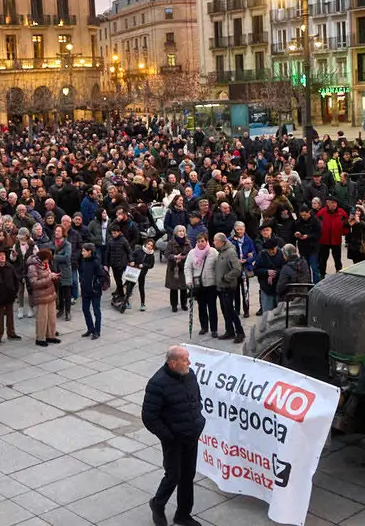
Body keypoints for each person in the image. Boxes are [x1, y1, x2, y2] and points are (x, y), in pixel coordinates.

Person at [141, 345, 205, 526]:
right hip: (174, 440)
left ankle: (183, 515)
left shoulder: (190, 375)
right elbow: (149, 417)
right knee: (173, 476)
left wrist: (198, 420)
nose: (189, 362)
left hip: (191, 436)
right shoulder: (157, 383)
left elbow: (196, 399)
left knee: (188, 476)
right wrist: (168, 437)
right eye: (185, 359)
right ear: (173, 362)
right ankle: (157, 503)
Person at [183, 233, 218, 337]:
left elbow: (218, 266)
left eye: (202, 241)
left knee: (212, 307)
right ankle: (204, 327)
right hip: (198, 284)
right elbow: (187, 267)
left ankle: (214, 329)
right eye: (198, 241)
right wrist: (189, 281)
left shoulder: (213, 252)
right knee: (201, 307)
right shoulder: (192, 253)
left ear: (206, 241)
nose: (200, 243)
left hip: (211, 284)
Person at [27, 248, 61, 346]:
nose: (48, 261)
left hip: (50, 294)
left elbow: (48, 275)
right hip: (41, 296)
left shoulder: (45, 264)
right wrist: (49, 278)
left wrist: (53, 276)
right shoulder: (33, 267)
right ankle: (40, 338)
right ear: (43, 258)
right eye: (47, 259)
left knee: (51, 316)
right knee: (42, 318)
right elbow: (34, 283)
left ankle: (51, 336)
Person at [77, 242, 107, 339]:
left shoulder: (96, 262)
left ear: (89, 252)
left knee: (96, 311)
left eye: (84, 251)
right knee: (85, 309)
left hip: (95, 292)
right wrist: (82, 280)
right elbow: (81, 273)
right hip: (85, 290)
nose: (82, 253)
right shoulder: (83, 261)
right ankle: (90, 328)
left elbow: (101, 276)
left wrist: (95, 286)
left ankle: (97, 331)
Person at [163, 225, 190, 313]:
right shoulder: (171, 242)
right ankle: (174, 305)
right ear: (176, 232)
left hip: (183, 267)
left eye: (183, 231)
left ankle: (184, 304)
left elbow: (191, 254)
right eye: (179, 231)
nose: (181, 233)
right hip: (173, 268)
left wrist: (184, 257)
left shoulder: (187, 242)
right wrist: (175, 257)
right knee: (173, 287)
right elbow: (166, 254)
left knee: (184, 287)